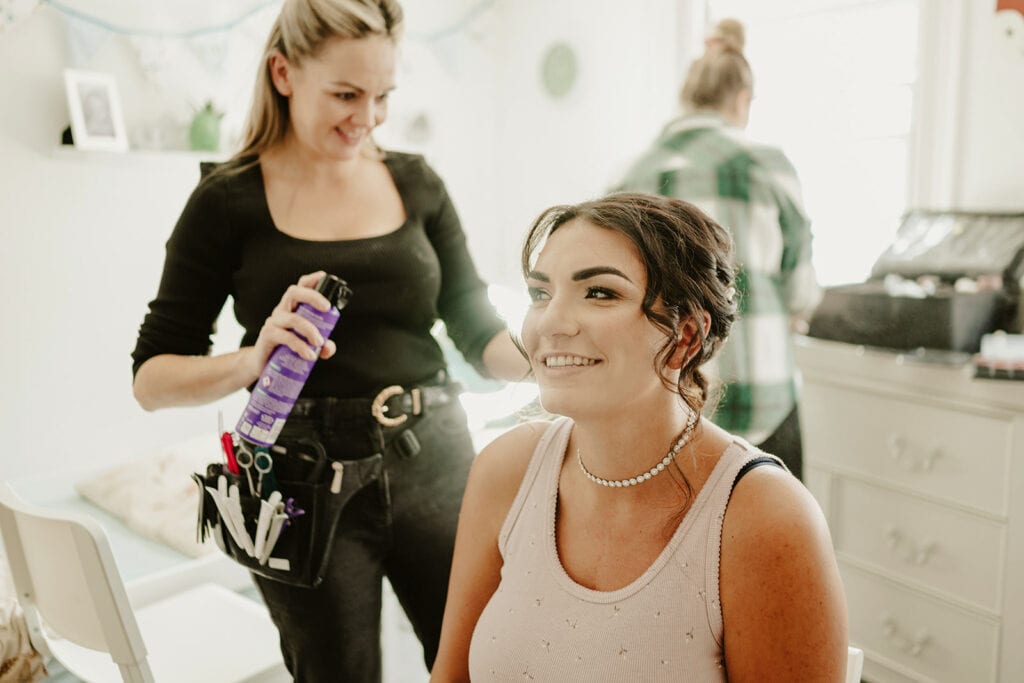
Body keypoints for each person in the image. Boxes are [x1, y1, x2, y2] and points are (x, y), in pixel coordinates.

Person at [130, 0, 527, 680]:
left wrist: (552, 359)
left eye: (382, 97)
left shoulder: (417, 182)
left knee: (482, 660)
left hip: (434, 454)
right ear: (283, 73)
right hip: (294, 476)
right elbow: (151, 379)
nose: (366, 118)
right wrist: (252, 360)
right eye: (345, 94)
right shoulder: (226, 201)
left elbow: (474, 321)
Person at [430, 193, 848, 681]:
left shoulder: (765, 518)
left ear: (685, 335)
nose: (551, 323)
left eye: (600, 293)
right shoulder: (507, 469)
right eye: (540, 294)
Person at [616, 18, 819, 479]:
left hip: (666, 399)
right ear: (742, 99)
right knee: (778, 538)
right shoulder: (768, 165)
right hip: (761, 396)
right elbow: (800, 290)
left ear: (686, 98)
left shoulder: (628, 177)